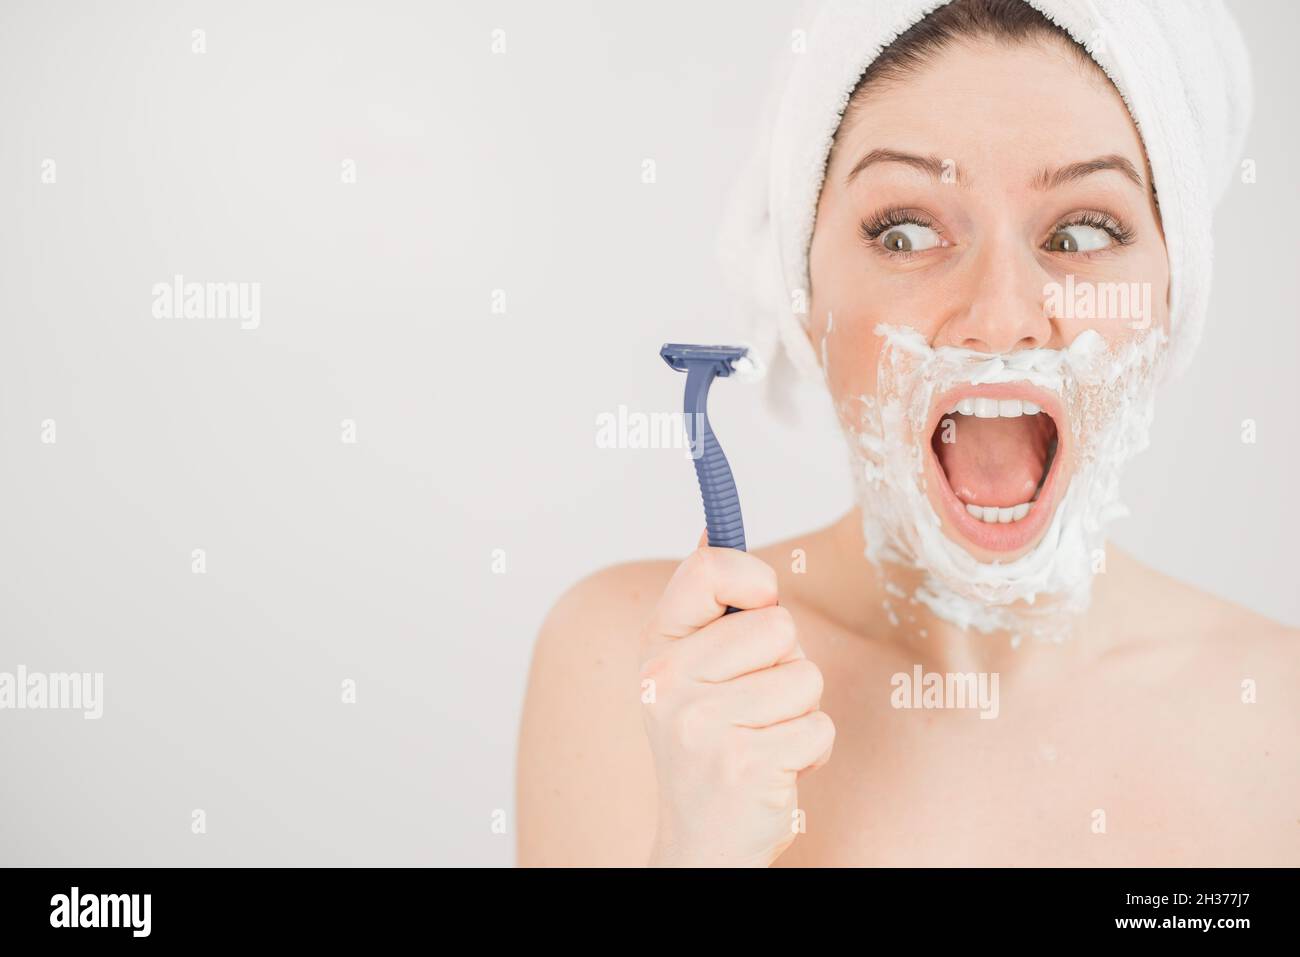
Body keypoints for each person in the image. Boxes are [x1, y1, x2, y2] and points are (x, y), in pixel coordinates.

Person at [517, 0, 1298, 867]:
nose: (1000, 317)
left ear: (1171, 296)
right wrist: (698, 848)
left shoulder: (1282, 721)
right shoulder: (639, 676)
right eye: (906, 232)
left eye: (1082, 233)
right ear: (801, 294)